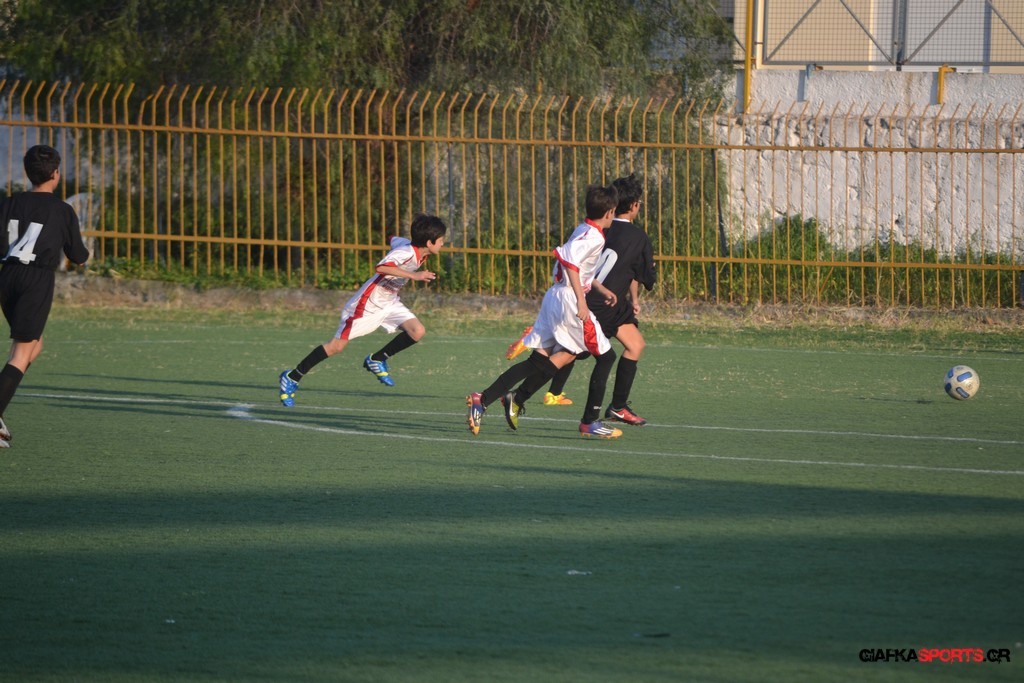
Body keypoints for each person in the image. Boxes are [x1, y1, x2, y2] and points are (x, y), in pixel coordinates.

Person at [466, 183, 623, 438]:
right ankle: (590, 422)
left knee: (544, 359)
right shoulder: (594, 237)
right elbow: (571, 264)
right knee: (606, 357)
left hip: (556, 296)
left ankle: (484, 399)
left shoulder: (584, 229)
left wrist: (600, 288)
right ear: (609, 212)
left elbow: (577, 266)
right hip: (569, 300)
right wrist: (581, 301)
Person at [500, 174, 656, 426]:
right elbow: (642, 275)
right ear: (635, 205)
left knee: (635, 344)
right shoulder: (638, 237)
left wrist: (630, 299)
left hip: (602, 301)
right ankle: (519, 397)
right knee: (567, 355)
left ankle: (618, 406)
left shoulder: (599, 226)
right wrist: (637, 294)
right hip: (596, 305)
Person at [278, 214, 447, 406]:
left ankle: (377, 359)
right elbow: (381, 267)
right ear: (429, 242)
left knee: (417, 331)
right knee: (336, 347)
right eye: (441, 240)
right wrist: (413, 275)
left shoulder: (409, 247)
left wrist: (389, 236)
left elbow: (392, 239)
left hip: (389, 302)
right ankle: (292, 377)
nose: (443, 244)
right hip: (367, 304)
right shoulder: (405, 252)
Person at [0, 144, 90, 448]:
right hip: (35, 280)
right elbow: (78, 255)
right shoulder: (62, 210)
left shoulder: (9, 203)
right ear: (56, 174)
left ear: (28, 173)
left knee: (34, 346)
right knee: (21, 353)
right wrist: (85, 256)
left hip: (7, 277)